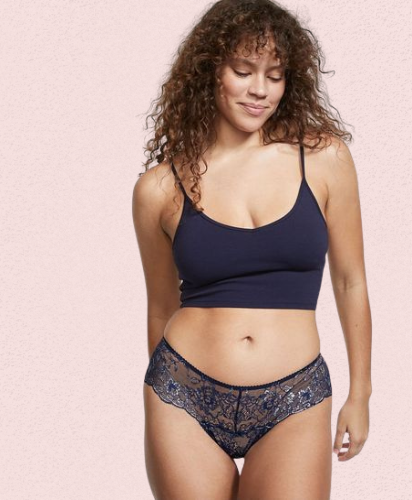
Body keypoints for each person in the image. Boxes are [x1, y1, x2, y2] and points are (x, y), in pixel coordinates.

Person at [133, 0, 372, 498]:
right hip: (183, 395)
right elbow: (160, 306)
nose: (260, 89)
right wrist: (166, 392)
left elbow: (350, 281)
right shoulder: (159, 188)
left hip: (295, 396)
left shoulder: (324, 159)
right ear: (210, 71)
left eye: (275, 75)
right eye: (243, 71)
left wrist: (360, 393)